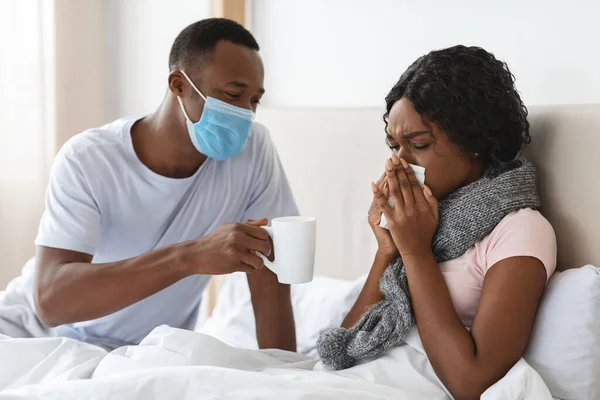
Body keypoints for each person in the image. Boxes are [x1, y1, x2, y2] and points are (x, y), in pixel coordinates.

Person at [0, 18, 298, 351]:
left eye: (254, 101)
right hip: (32, 337)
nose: (245, 113)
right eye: (232, 94)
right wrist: (190, 256)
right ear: (179, 85)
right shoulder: (89, 159)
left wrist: (288, 376)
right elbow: (50, 302)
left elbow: (269, 273)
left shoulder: (254, 152)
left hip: (141, 354)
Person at [320, 46, 556, 399]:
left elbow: (471, 381)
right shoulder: (421, 220)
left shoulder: (520, 230)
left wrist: (416, 253)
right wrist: (388, 252)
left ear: (474, 140)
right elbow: (346, 348)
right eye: (393, 146)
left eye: (419, 144)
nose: (399, 163)